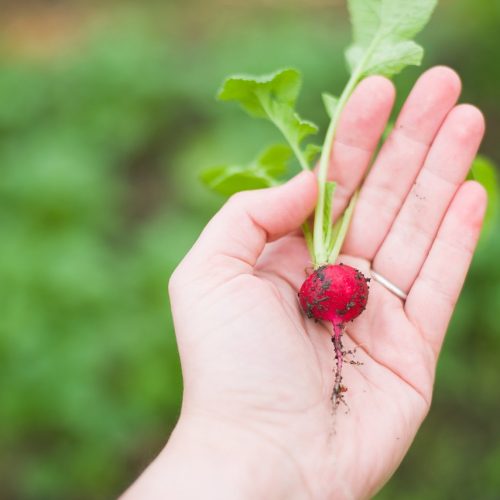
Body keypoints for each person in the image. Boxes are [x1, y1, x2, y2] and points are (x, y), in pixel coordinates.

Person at [121, 66, 486, 499]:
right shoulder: (330, 289)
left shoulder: (333, 290)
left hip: (332, 286)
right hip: (331, 285)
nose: (338, 336)